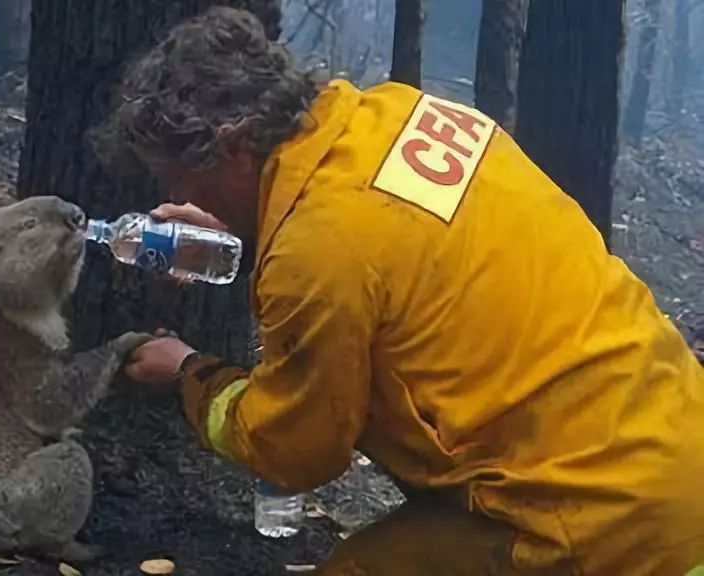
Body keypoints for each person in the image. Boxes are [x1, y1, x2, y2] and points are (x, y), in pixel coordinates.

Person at [105, 7, 704, 575]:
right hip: (674, 445)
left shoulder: (319, 250)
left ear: (234, 146)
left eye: (181, 178)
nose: (186, 195)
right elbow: (385, 257)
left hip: (600, 526)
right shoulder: (400, 115)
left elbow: (295, 449)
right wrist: (251, 229)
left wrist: (189, 373)